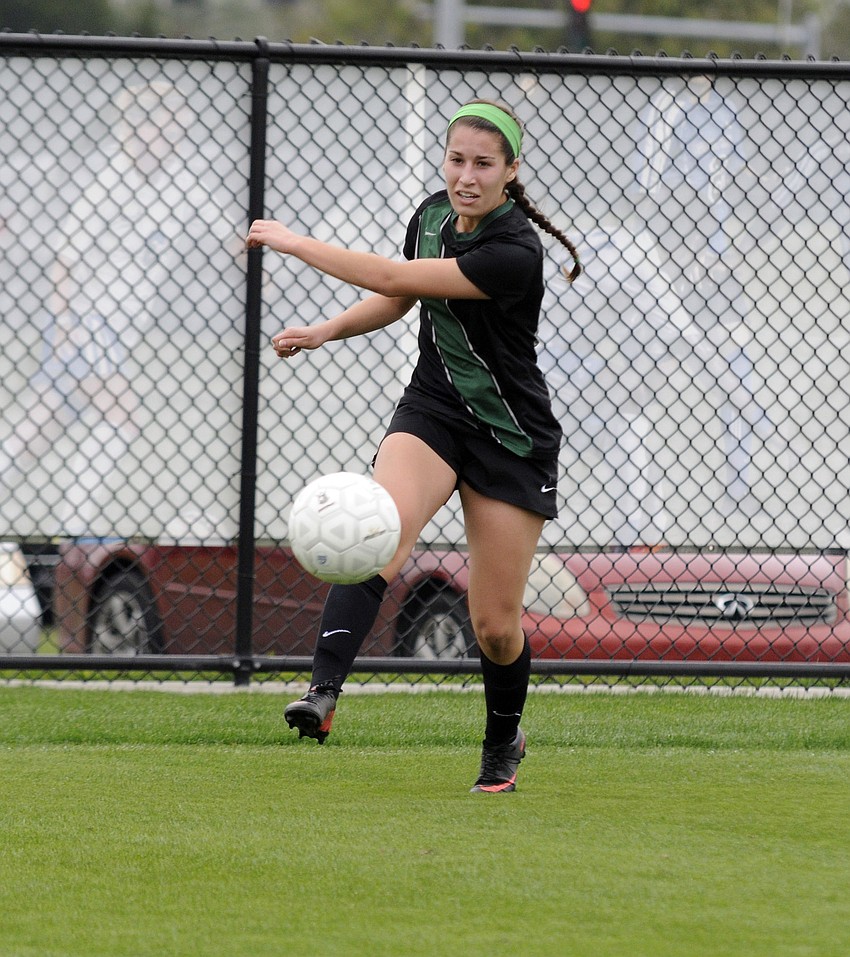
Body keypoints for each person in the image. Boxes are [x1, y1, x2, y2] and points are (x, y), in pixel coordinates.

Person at [246, 99, 580, 793]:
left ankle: (503, 739)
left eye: (483, 164)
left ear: (511, 171)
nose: (466, 176)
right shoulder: (431, 216)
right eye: (456, 160)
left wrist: (295, 242)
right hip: (433, 410)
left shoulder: (515, 250)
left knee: (494, 627)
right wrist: (326, 330)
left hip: (509, 436)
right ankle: (323, 693)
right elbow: (401, 299)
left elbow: (397, 279)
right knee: (379, 534)